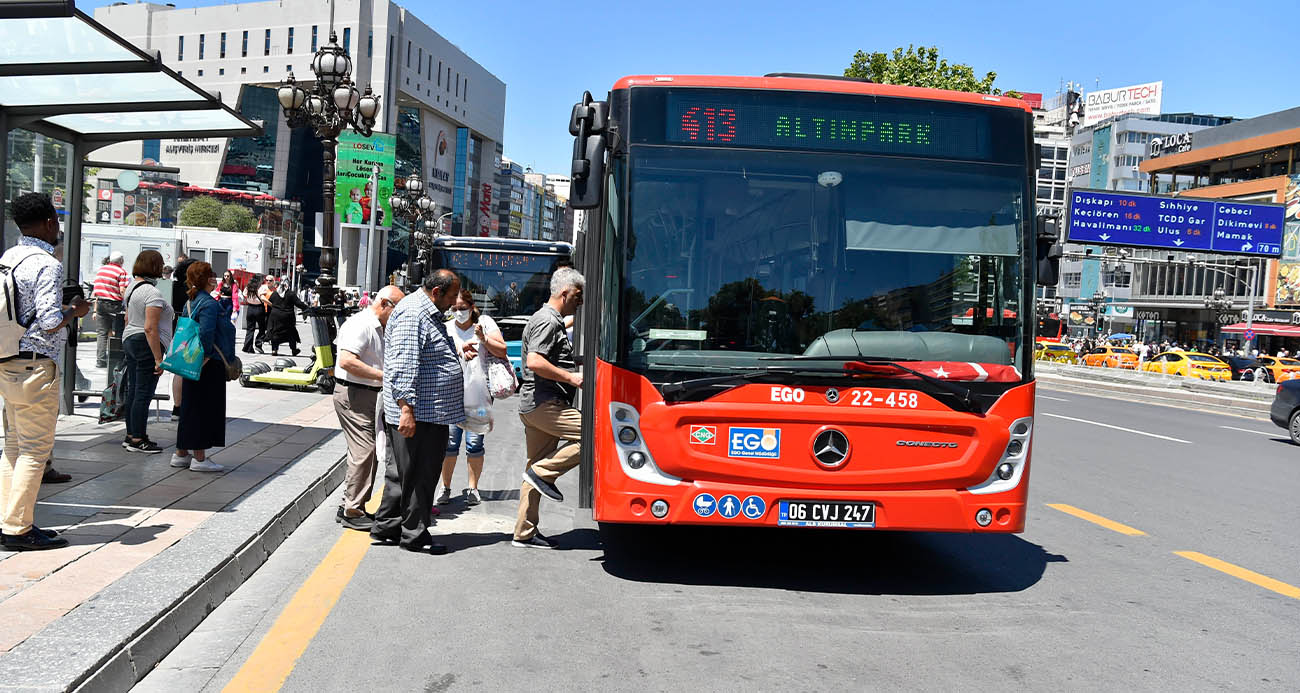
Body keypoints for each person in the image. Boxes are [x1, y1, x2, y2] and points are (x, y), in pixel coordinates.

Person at [0, 193, 91, 551]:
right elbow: (51, 320)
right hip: (37, 365)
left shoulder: (9, 257)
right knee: (36, 450)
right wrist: (75, 310)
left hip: (7, 361)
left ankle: (10, 520)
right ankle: (17, 529)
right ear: (51, 222)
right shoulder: (46, 264)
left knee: (13, 447)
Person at [371, 270, 464, 554]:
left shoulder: (426, 313)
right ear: (436, 292)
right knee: (420, 475)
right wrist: (406, 410)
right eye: (450, 296)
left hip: (426, 412)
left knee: (403, 473)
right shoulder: (414, 314)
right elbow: (403, 365)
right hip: (419, 413)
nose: (454, 302)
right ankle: (414, 535)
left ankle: (388, 526)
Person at [512, 268, 585, 549]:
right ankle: (542, 475)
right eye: (577, 297)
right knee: (594, 436)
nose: (579, 302)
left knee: (535, 467)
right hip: (545, 405)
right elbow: (534, 361)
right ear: (564, 292)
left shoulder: (551, 319)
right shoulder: (547, 321)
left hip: (536, 405)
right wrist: (572, 377)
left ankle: (524, 532)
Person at [333, 285, 404, 531]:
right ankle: (352, 510)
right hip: (354, 394)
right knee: (365, 451)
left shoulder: (382, 327)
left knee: (369, 452)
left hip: (369, 395)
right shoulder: (360, 325)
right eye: (398, 308)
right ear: (384, 304)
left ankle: (352, 505)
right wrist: (383, 375)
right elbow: (346, 361)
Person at [439, 287, 508, 506]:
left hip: (478, 396)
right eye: (455, 308)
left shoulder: (485, 324)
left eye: (463, 308)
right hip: (451, 396)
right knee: (450, 443)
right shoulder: (445, 328)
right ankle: (445, 487)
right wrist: (459, 349)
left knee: (474, 442)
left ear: (472, 308)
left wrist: (483, 339)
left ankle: (472, 488)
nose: (459, 312)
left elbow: (503, 350)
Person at [171, 262, 235, 473]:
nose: (216, 278)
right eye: (212, 274)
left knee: (190, 408)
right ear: (207, 279)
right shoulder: (208, 304)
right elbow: (207, 335)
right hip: (206, 364)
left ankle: (181, 453)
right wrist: (205, 358)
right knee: (203, 409)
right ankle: (199, 458)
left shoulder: (193, 300)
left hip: (192, 361)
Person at [120, 250, 174, 454]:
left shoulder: (133, 287)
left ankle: (131, 434)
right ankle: (138, 438)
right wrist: (158, 359)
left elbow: (127, 318)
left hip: (130, 340)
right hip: (146, 344)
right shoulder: (152, 293)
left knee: (134, 390)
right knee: (143, 392)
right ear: (155, 267)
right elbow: (150, 327)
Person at [91, 250, 129, 368]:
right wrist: (127, 304)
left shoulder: (101, 270)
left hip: (101, 303)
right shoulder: (121, 272)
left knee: (101, 333)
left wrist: (95, 309)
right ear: (121, 261)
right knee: (119, 332)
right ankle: (116, 359)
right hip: (115, 304)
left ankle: (100, 360)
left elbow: (96, 291)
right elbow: (122, 290)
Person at [169, 253, 196, 420]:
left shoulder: (171, 287)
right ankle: (186, 406)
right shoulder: (192, 291)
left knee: (178, 371)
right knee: (188, 370)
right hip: (189, 330)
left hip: (174, 330)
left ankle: (176, 407)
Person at [265, 277, 310, 356]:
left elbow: (270, 303)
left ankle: (274, 350)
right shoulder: (290, 294)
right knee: (291, 333)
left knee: (275, 333)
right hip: (288, 317)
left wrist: (271, 314)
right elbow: (299, 303)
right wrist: (307, 308)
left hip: (276, 317)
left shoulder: (275, 294)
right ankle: (294, 350)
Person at [242, 275, 268, 354]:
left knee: (250, 329)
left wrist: (250, 299)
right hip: (259, 308)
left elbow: (244, 294)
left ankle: (248, 347)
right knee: (262, 327)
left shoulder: (248, 287)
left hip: (250, 308)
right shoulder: (262, 287)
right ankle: (258, 343)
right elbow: (263, 296)